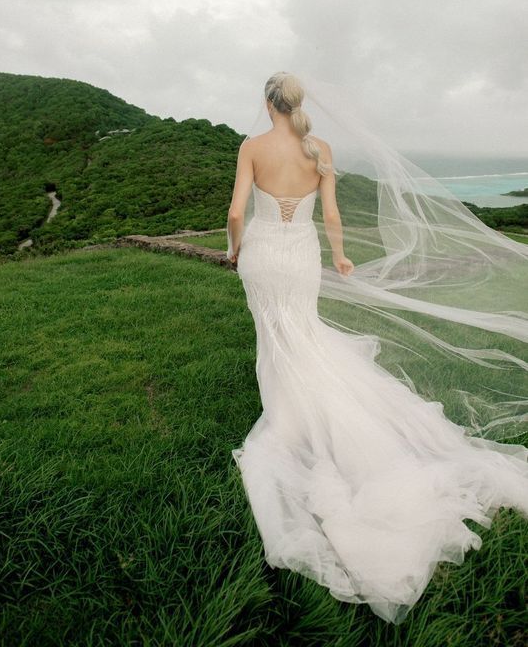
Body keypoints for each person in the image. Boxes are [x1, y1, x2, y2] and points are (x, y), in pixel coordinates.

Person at [226, 71, 528, 624]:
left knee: (276, 332)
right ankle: (303, 405)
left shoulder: (252, 147)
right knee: (303, 330)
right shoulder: (321, 149)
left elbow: (236, 212)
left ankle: (290, 414)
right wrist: (340, 258)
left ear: (268, 103)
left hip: (265, 255)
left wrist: (234, 249)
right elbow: (333, 214)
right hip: (301, 256)